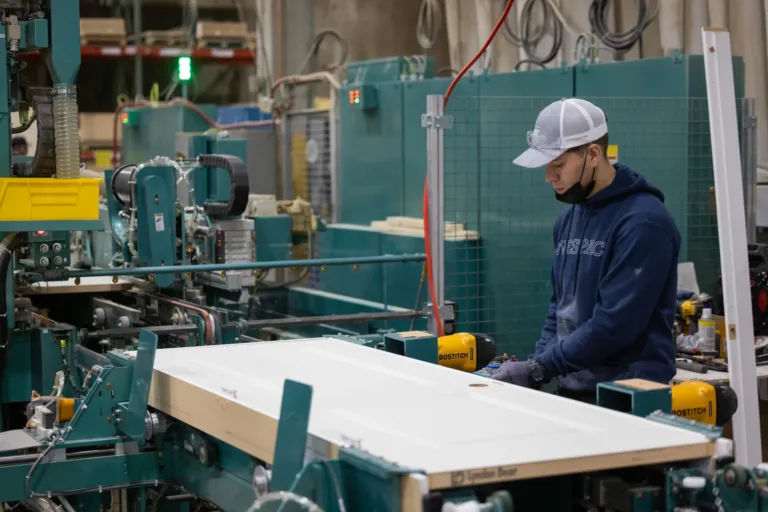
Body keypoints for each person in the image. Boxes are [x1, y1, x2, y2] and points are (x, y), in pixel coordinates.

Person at [491, 98, 680, 404]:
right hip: (574, 388)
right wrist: (537, 363)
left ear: (593, 153)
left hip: (627, 395)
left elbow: (615, 325)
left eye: (558, 164)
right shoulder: (569, 219)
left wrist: (541, 367)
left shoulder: (643, 222)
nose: (549, 177)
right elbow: (559, 309)